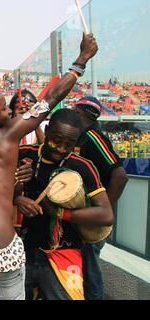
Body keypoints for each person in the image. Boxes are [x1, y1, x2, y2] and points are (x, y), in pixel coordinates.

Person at [0, 33, 98, 300]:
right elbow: (50, 99)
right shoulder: (9, 135)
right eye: (4, 108)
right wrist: (82, 59)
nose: (10, 111)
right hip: (0, 239)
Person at [16, 109, 114, 300]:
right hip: (25, 251)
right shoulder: (24, 154)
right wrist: (16, 198)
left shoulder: (82, 166)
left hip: (65, 253)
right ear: (48, 129)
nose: (61, 149)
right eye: (56, 141)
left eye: (69, 144)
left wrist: (59, 213)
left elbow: (106, 214)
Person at [73, 96, 129, 300]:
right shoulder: (81, 136)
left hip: (92, 219)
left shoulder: (94, 137)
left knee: (90, 272)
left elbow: (120, 176)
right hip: (83, 216)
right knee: (82, 268)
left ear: (78, 111)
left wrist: (103, 211)